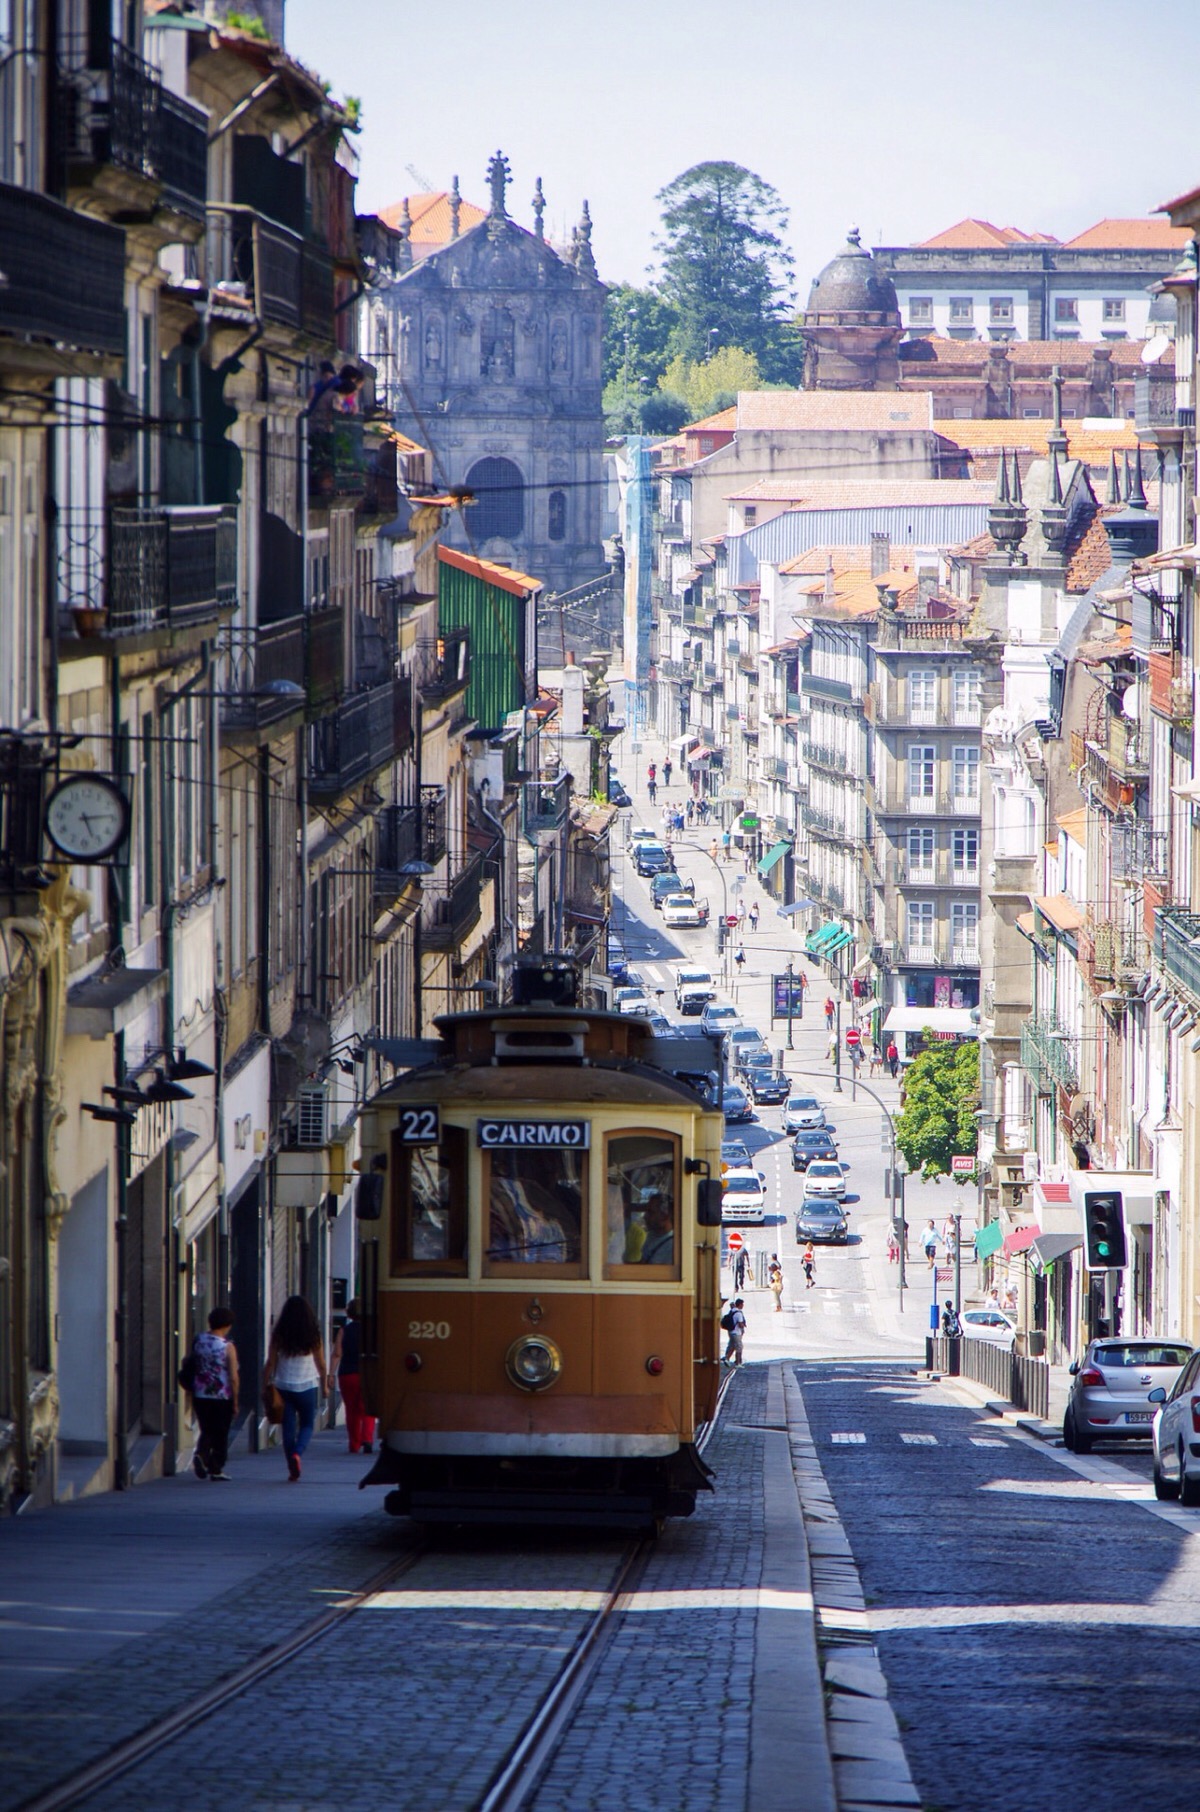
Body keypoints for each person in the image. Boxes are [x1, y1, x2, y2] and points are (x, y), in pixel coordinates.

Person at [265, 1295, 328, 1482]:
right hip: (307, 1385)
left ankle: (291, 1467)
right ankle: (298, 1453)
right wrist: (325, 1385)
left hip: (283, 1386)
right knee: (308, 1424)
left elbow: (270, 1362)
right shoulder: (313, 1335)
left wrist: (265, 1382)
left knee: (288, 1428)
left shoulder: (279, 1334)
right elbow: (321, 1363)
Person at [189, 1306, 239, 1481]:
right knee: (221, 1432)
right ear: (227, 1325)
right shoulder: (227, 1346)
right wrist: (235, 1401)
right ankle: (215, 1465)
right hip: (221, 1395)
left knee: (206, 1427)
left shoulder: (199, 1340)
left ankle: (201, 1454)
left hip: (200, 1392)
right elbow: (233, 1376)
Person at [331, 1298, 374, 1456]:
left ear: (349, 1312)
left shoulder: (343, 1330)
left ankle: (354, 1444)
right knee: (368, 1408)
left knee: (351, 1410)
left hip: (347, 1374)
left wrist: (330, 1374)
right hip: (367, 1374)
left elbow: (337, 1354)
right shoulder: (372, 1331)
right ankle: (367, 1439)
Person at [639, 1194, 675, 1264]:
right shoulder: (651, 1236)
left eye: (651, 1212)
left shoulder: (673, 1246)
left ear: (665, 1216)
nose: (645, 1216)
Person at [724, 1298, 747, 1365]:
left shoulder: (732, 1311)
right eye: (742, 1304)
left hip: (731, 1331)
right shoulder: (738, 1313)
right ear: (740, 1304)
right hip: (736, 1333)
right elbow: (740, 1324)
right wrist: (743, 1326)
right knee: (739, 1347)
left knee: (732, 1346)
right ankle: (738, 1362)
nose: (743, 1305)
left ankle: (726, 1358)